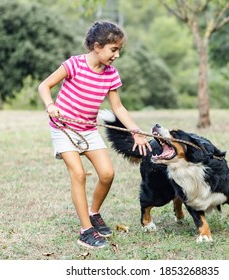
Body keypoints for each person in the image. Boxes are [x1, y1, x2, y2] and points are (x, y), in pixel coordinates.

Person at [38, 21, 151, 249]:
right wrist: (50, 105)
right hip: (64, 128)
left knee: (107, 174)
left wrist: (136, 132)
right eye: (113, 49)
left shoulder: (111, 74)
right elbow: (44, 85)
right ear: (97, 46)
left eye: (119, 49)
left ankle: (94, 213)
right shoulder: (74, 65)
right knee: (78, 175)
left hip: (88, 129)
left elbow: (118, 108)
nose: (117, 55)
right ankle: (86, 231)